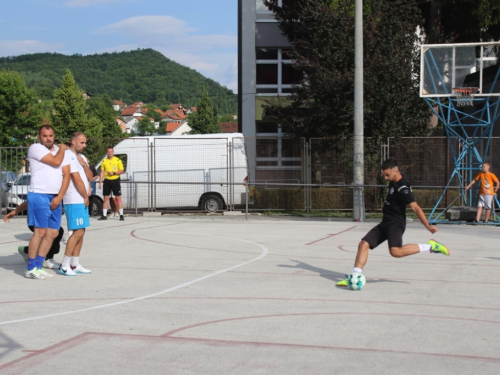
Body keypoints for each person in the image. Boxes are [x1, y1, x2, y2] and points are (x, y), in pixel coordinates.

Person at [336, 159, 450, 287]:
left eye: (387, 175)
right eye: (384, 175)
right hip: (386, 221)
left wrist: (428, 226)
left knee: (395, 251)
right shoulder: (394, 181)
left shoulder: (403, 188)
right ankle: (355, 276)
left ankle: (430, 246)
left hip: (396, 223)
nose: (385, 178)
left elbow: (415, 208)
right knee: (363, 243)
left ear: (396, 171)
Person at [25, 125, 69, 279]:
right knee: (40, 232)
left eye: (51, 135)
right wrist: (63, 149)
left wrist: (59, 196)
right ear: (39, 136)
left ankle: (39, 264)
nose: (48, 138)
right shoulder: (35, 148)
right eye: (45, 135)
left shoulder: (59, 150)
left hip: (55, 196)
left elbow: (66, 175)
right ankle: (30, 268)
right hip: (39, 194)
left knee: (53, 232)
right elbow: (57, 162)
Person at [58, 132, 93, 276]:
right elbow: (76, 178)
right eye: (82, 143)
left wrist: (84, 164)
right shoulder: (67, 155)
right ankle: (64, 264)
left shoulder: (81, 157)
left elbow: (90, 176)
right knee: (77, 231)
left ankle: (74, 264)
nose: (84, 145)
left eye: (85, 143)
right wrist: (85, 195)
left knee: (81, 232)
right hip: (74, 198)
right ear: (73, 142)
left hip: (81, 199)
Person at [4, 201, 64, 269]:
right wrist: (15, 211)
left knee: (55, 248)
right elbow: (29, 202)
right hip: (36, 220)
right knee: (58, 231)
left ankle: (26, 250)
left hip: (48, 219)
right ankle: (47, 259)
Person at [98, 146, 124, 221]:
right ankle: (104, 215)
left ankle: (121, 215)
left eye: (111, 152)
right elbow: (102, 172)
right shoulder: (104, 161)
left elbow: (122, 170)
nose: (109, 153)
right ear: (107, 152)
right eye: (108, 152)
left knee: (118, 198)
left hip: (115, 180)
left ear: (113, 152)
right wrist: (100, 182)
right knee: (106, 198)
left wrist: (114, 173)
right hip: (107, 181)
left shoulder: (118, 160)